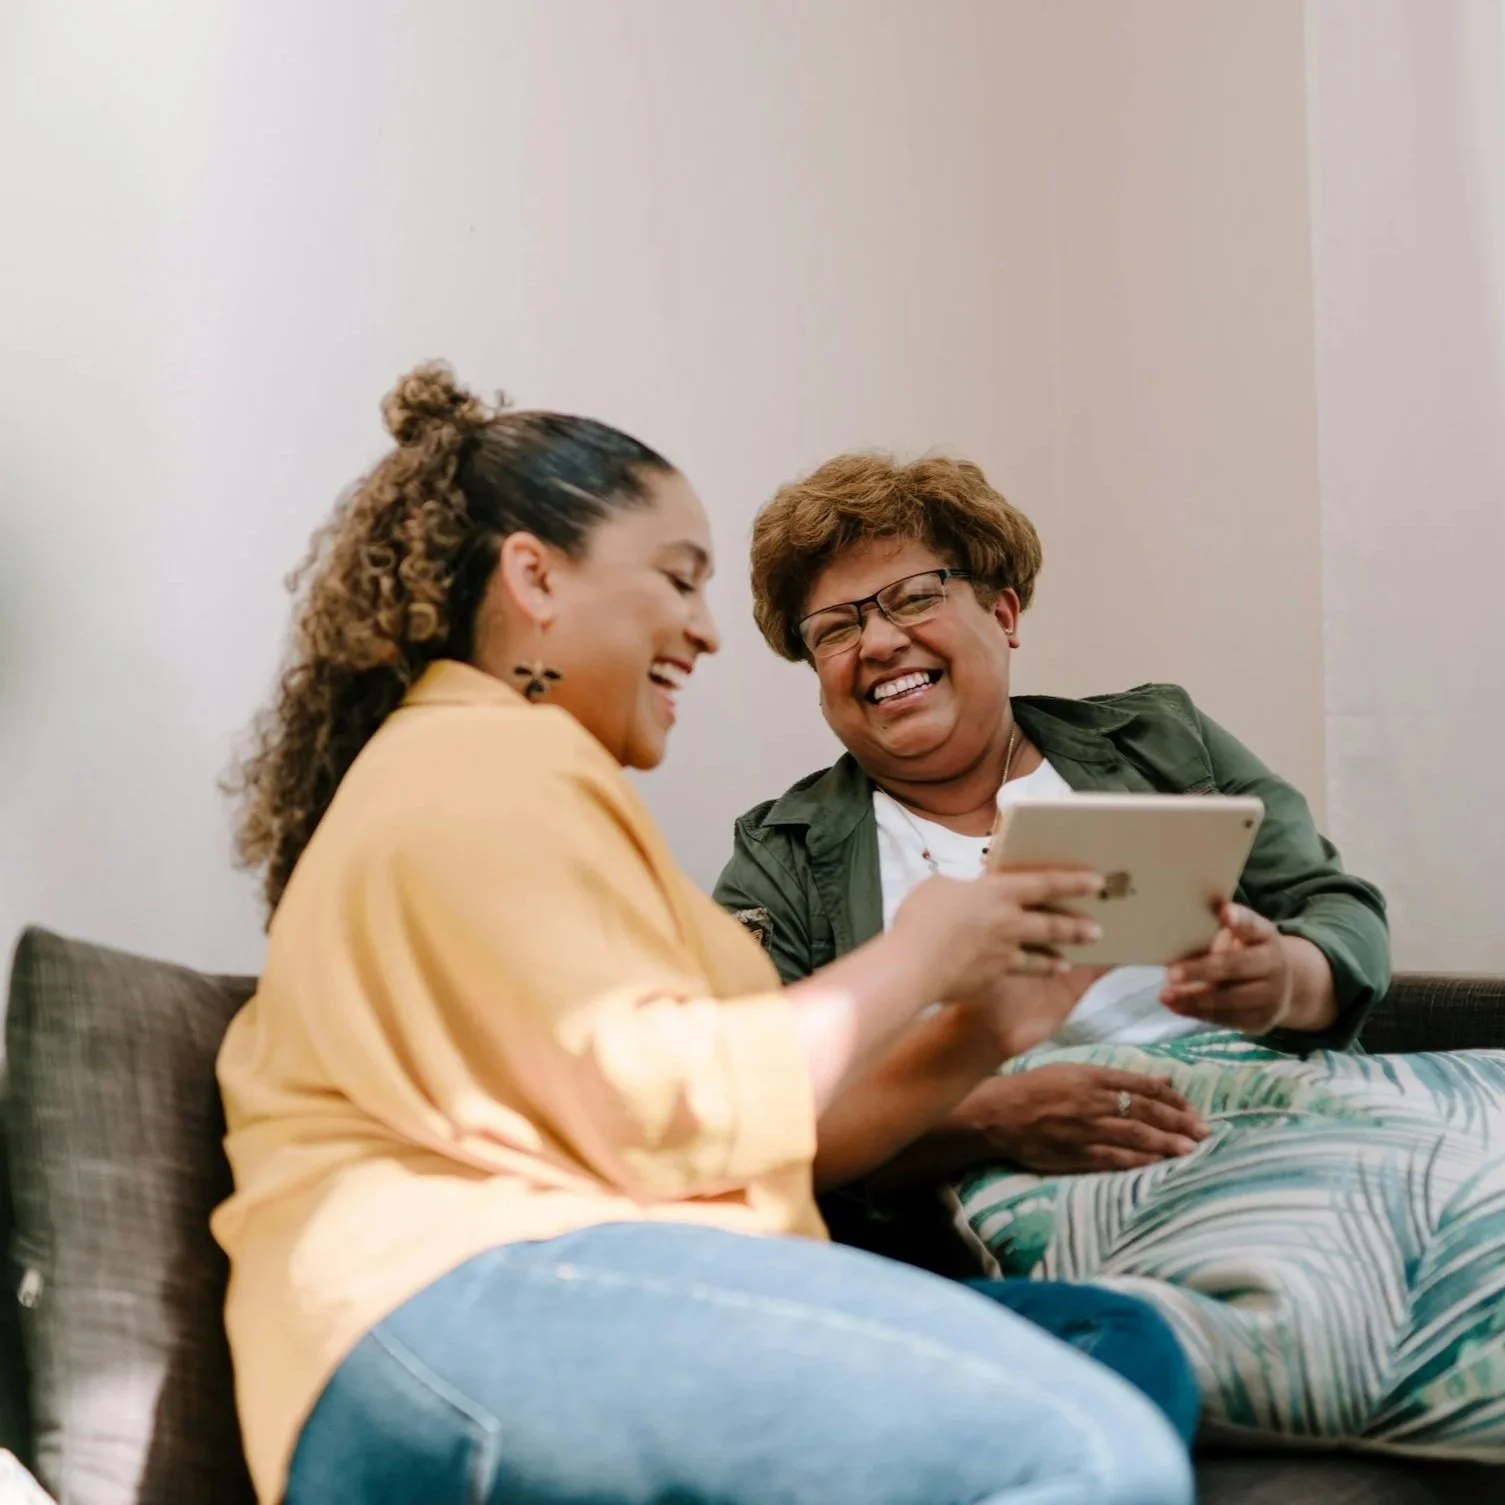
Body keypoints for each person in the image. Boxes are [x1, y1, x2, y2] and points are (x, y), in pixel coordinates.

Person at [213, 365, 1196, 1505]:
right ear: (532, 575)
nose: (708, 629)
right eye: (678, 579)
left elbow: (749, 1136)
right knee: (1088, 1447)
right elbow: (657, 1100)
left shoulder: (529, 777)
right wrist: (922, 946)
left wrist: (986, 1023)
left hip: (558, 1289)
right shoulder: (487, 757)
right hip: (459, 1305)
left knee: (1108, 1341)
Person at [714, 451, 1390, 1222]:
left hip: (1281, 1125)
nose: (876, 643)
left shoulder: (1162, 740)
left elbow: (1339, 911)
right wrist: (985, 1116)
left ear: (1002, 616)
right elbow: (756, 1116)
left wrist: (1286, 978)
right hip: (1014, 1208)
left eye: (910, 598)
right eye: (835, 628)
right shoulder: (781, 855)